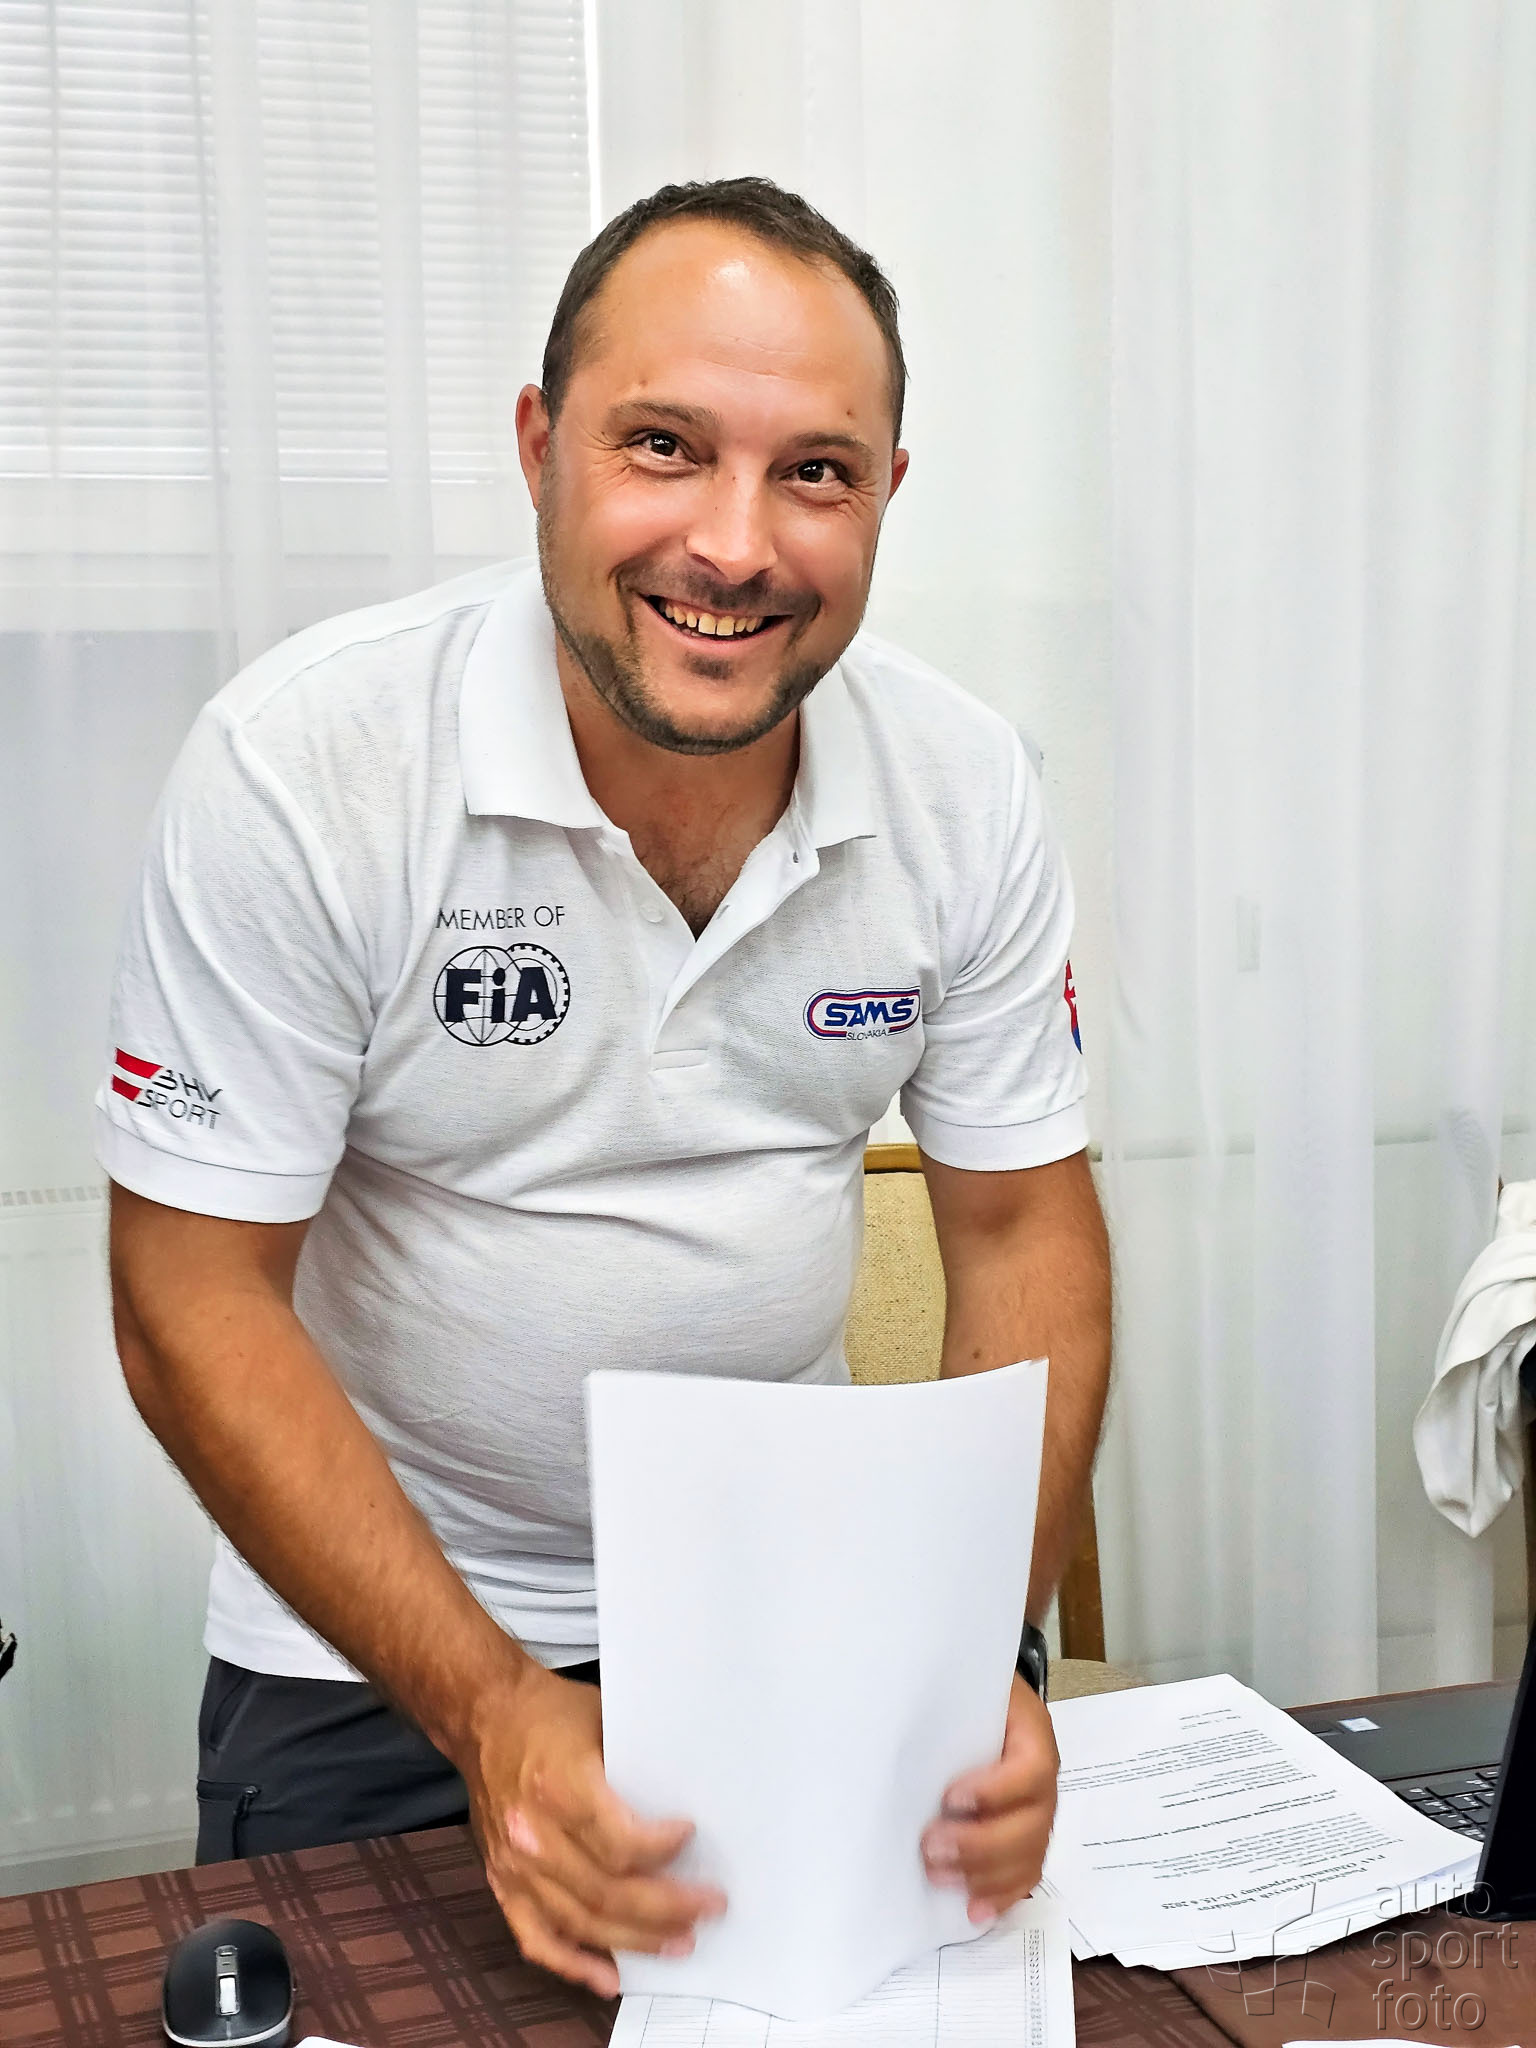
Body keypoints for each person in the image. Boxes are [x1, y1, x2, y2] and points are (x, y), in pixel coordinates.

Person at [101, 177, 1111, 2000]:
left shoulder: (966, 784)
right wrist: (493, 1712)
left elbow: (1025, 1227)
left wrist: (966, 1653)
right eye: (664, 446)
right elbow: (189, 1293)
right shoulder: (304, 765)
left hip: (808, 1610)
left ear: (887, 495)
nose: (734, 544)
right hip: (380, 1644)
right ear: (539, 446)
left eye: (815, 473)